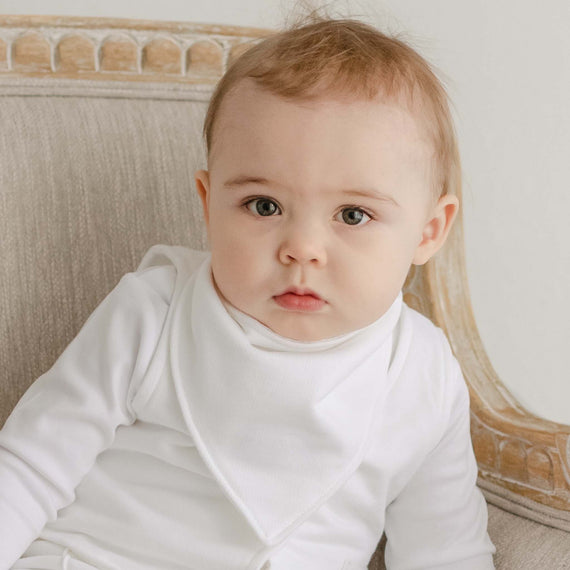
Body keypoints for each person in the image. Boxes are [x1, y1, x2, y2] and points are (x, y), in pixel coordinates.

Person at [0, 15, 496, 570]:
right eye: (264, 206)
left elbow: (445, 549)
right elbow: (28, 469)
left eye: (353, 214)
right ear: (208, 204)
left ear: (428, 232)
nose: (302, 248)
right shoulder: (154, 314)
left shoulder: (423, 374)